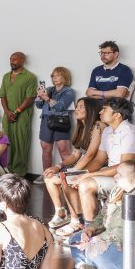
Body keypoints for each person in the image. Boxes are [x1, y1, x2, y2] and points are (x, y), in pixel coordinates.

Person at [62, 98, 135, 239]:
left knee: (86, 184)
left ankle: (90, 229)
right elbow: (99, 159)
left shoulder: (130, 133)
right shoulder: (108, 131)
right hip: (114, 175)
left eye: (105, 109)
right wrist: (80, 173)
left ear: (117, 115)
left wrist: (86, 177)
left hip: (130, 180)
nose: (100, 112)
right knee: (69, 180)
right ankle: (78, 223)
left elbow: (125, 167)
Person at [41, 97, 106, 232]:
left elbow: (90, 155)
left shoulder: (98, 126)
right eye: (77, 106)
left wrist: (74, 171)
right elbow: (76, 155)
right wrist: (58, 166)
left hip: (96, 167)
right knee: (49, 177)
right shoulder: (82, 127)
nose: (77, 109)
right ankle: (61, 213)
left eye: (81, 107)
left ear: (91, 109)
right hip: (83, 166)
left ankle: (76, 221)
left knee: (67, 179)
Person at [0, 52, 37, 177]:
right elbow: (2, 96)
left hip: (22, 116)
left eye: (15, 59)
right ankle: (6, 170)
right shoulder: (5, 76)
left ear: (22, 60)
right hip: (7, 116)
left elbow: (30, 97)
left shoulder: (30, 77)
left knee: (21, 142)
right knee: (5, 142)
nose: (12, 61)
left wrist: (17, 112)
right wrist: (8, 112)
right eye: (10, 59)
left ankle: (19, 172)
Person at [35, 67, 76, 176]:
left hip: (61, 121)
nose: (54, 78)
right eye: (53, 76)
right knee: (45, 149)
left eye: (57, 76)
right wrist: (39, 96)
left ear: (65, 77)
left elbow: (60, 107)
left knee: (64, 150)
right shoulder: (49, 89)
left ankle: (68, 177)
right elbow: (38, 105)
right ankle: (46, 175)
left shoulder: (69, 91)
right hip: (46, 120)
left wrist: (46, 98)